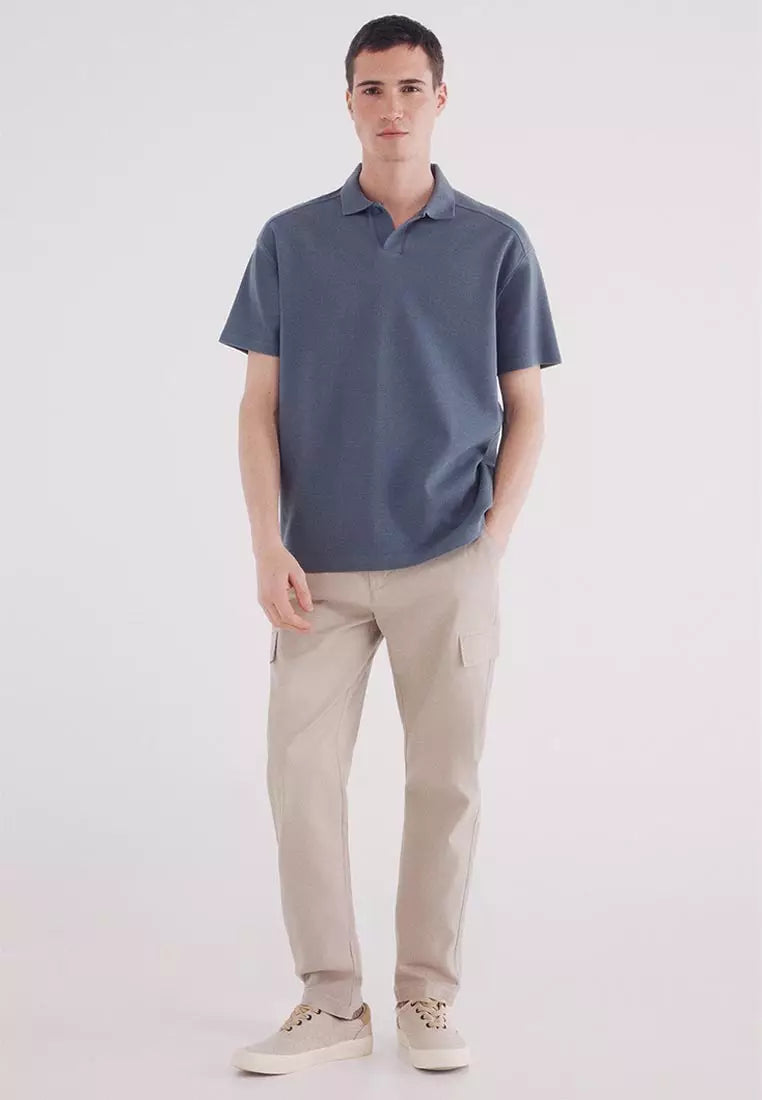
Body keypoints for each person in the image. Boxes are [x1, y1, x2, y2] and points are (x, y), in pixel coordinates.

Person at [218, 14, 561, 1076]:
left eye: (411, 87)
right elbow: (257, 406)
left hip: (447, 557)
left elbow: (528, 408)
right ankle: (331, 1001)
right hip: (315, 565)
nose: (393, 107)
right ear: (349, 101)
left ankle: (425, 995)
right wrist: (266, 541)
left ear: (440, 99)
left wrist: (489, 546)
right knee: (301, 779)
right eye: (373, 88)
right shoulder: (291, 238)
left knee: (444, 784)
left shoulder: (496, 243)